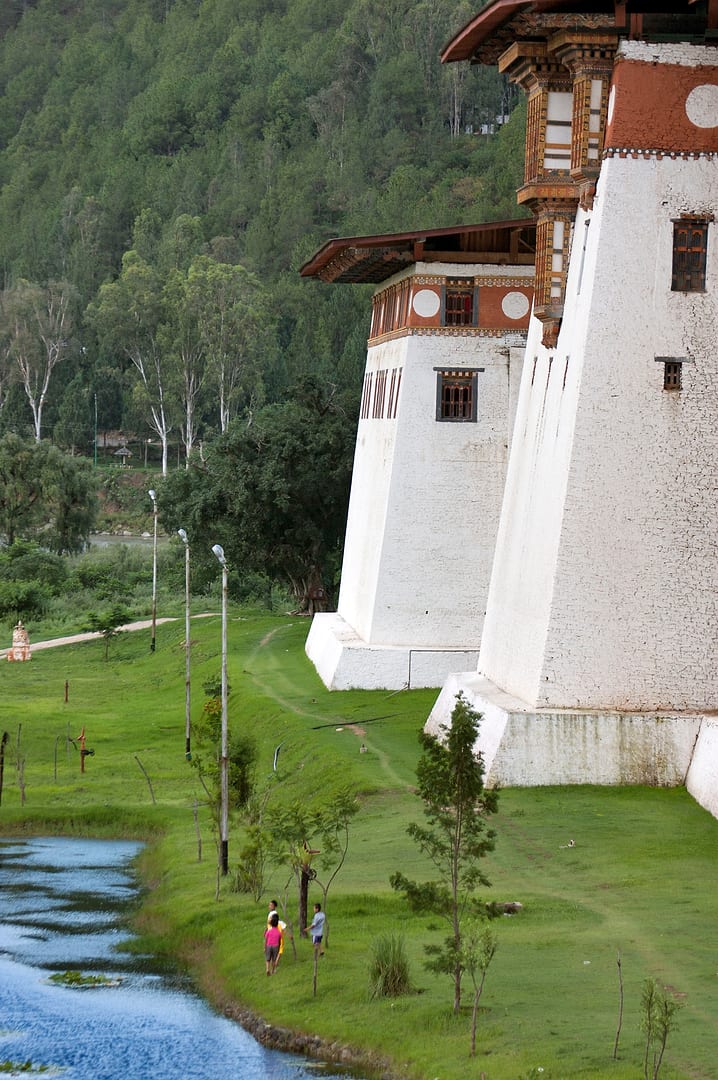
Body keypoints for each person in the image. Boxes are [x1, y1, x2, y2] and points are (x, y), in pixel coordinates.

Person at [266, 899, 287, 967]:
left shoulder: (274, 913)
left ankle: (275, 962)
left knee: (277, 948)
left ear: (274, 906)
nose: (269, 906)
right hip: (271, 932)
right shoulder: (271, 913)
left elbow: (276, 922)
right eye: (269, 905)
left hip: (273, 933)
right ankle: (274, 961)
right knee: (276, 948)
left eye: (271, 905)